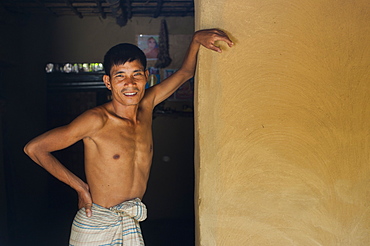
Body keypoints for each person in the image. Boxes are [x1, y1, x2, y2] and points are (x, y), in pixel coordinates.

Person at [24, 28, 233, 245]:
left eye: (136, 74)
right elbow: (35, 148)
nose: (130, 84)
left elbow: (185, 73)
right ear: (108, 82)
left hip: (129, 220)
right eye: (120, 76)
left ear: (146, 76)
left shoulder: (147, 105)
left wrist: (196, 40)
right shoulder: (97, 120)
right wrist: (80, 187)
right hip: (96, 221)